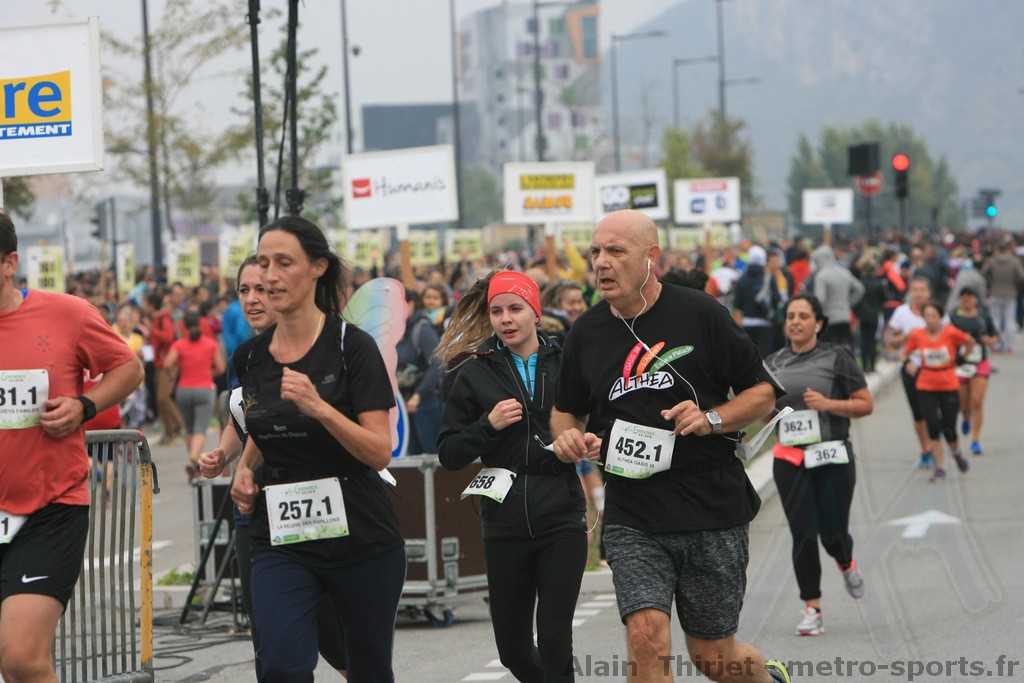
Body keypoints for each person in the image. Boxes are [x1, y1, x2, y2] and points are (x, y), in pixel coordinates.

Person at [550, 210, 791, 683]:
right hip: (633, 510)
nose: (601, 262)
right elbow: (567, 410)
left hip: (709, 503)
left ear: (651, 257)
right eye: (595, 252)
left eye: (615, 251)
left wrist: (711, 418)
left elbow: (763, 392)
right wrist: (568, 435)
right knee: (645, 638)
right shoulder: (587, 332)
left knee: (713, 657)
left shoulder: (701, 314)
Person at [230, 216, 405, 682]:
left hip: (360, 536)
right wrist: (244, 468)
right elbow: (264, 425)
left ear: (317, 267)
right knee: (281, 666)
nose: (270, 276)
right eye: (263, 263)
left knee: (367, 670)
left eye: (284, 263)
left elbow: (379, 451)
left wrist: (320, 407)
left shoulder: (352, 347)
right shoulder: (249, 357)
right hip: (282, 534)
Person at [0, 212, 143, 683]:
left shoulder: (67, 314)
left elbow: (129, 368)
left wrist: (84, 405)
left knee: (21, 659)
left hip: (49, 508)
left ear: (10, 263)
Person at [200, 254, 349, 679]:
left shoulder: (312, 349)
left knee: (336, 637)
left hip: (312, 501)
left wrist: (246, 460)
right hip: (254, 512)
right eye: (244, 290)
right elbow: (242, 418)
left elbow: (277, 423)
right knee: (270, 638)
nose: (252, 299)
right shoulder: (243, 357)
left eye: (262, 289)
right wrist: (222, 454)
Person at [437, 270, 587, 682]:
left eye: (516, 308)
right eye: (497, 311)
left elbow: (599, 419)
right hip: (503, 522)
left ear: (535, 312)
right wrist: (487, 425)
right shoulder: (474, 372)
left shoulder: (567, 362)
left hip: (560, 514)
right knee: (514, 653)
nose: (506, 319)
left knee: (555, 640)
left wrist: (589, 440)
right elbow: (449, 453)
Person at [765, 295, 873, 637]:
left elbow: (865, 404)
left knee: (832, 534)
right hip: (790, 458)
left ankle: (846, 562)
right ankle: (812, 608)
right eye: (790, 316)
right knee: (803, 533)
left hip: (831, 456)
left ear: (819, 323)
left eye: (803, 316)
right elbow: (764, 412)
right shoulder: (773, 362)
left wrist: (828, 404)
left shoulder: (836, 357)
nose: (795, 322)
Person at [900, 300, 975, 483]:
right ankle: (940, 467)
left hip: (948, 384)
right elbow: (905, 354)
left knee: (949, 428)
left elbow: (970, 342)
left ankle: (956, 453)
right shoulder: (917, 335)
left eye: (934, 316)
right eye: (927, 316)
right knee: (933, 427)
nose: (930, 320)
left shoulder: (950, 332)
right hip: (925, 385)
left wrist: (960, 359)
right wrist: (908, 363)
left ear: (940, 317)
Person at [164, 311, 224, 481]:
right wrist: (209, 374)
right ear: (199, 325)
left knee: (189, 428)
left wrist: (172, 376)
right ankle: (192, 460)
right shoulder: (211, 344)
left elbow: (167, 363)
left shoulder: (179, 344)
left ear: (183, 326)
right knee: (200, 429)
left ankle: (195, 464)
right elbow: (221, 367)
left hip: (183, 390)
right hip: (204, 389)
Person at [884, 276, 935, 468]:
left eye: (922, 289)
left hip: (933, 367)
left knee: (932, 411)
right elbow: (891, 341)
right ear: (910, 292)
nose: (919, 293)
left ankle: (935, 444)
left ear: (929, 292)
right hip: (909, 367)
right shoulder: (901, 313)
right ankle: (927, 450)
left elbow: (946, 338)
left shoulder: (936, 312)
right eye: (915, 289)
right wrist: (907, 337)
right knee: (918, 412)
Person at [948, 287, 999, 455]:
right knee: (963, 403)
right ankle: (966, 417)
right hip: (962, 363)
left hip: (980, 362)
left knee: (977, 401)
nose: (967, 300)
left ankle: (975, 440)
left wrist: (990, 341)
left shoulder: (983, 317)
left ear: (975, 300)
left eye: (970, 297)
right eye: (964, 297)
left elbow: (995, 336)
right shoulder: (954, 317)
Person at [397, 290, 444, 455]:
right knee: (412, 457)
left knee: (432, 454)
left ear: (411, 304)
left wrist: (418, 395)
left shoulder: (422, 329)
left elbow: (437, 364)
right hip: (405, 402)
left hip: (425, 402)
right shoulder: (400, 331)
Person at [808, 244, 864, 351]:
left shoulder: (821, 276)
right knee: (845, 344)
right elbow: (860, 289)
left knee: (829, 347)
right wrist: (848, 303)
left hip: (829, 317)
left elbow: (820, 299)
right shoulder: (844, 272)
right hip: (845, 316)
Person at [733, 245, 781, 357]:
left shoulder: (742, 280)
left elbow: (737, 304)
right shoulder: (769, 278)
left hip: (747, 323)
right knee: (764, 357)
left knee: (750, 357)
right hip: (766, 322)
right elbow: (776, 299)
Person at [981, 240, 1024, 354]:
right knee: (1010, 320)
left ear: (998, 249)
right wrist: (1014, 284)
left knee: (996, 320)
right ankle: (1009, 347)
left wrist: (991, 283)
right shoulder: (1014, 261)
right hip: (1010, 292)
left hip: (995, 292)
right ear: (1008, 249)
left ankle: (996, 346)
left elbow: (984, 273)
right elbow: (1021, 276)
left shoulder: (992, 260)